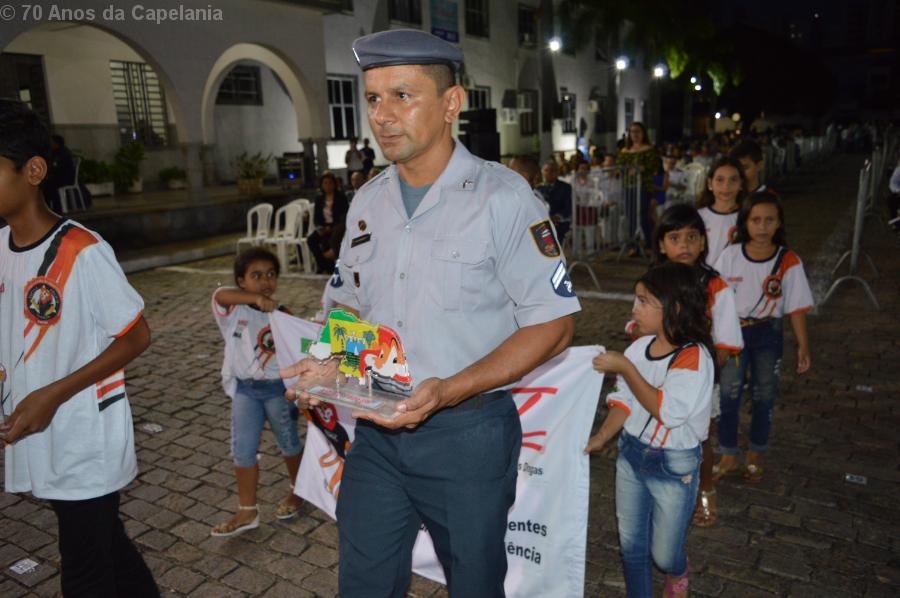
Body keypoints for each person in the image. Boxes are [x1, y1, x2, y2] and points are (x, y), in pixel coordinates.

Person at [282, 29, 579, 597]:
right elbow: (349, 305)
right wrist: (330, 362)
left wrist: (447, 391)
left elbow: (555, 324)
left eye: (403, 96)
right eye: (373, 98)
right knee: (363, 585)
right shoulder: (368, 201)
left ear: (451, 103)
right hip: (376, 432)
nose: (382, 115)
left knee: (474, 584)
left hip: (467, 434)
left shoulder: (504, 198)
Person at [0, 99, 159, 597]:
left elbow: (136, 335)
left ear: (33, 171)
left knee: (85, 572)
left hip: (83, 438)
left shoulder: (82, 252)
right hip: (40, 432)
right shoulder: (1, 247)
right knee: (105, 544)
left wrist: (52, 395)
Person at [585, 262, 715, 598]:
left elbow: (667, 412)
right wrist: (601, 437)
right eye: (636, 300)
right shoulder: (637, 349)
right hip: (631, 455)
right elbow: (624, 402)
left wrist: (626, 368)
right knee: (631, 546)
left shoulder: (694, 357)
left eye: (644, 301)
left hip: (674, 465)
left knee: (665, 554)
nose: (634, 308)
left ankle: (678, 570)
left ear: (675, 307)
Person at [635, 204, 743, 528]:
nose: (684, 245)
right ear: (661, 245)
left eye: (692, 237)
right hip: (656, 377)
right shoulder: (652, 283)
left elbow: (726, 342)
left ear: (703, 242)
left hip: (697, 379)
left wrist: (700, 375)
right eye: (675, 238)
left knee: (699, 439)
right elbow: (638, 325)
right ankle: (656, 488)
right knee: (651, 432)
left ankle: (705, 490)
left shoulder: (716, 286)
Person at [713, 193, 813, 484]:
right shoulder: (730, 256)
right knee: (729, 394)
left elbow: (796, 307)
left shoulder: (789, 261)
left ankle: (756, 452)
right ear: (745, 222)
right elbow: (714, 299)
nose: (762, 227)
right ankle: (728, 453)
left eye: (769, 220)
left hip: (768, 334)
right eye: (755, 220)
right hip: (733, 334)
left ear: (779, 223)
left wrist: (803, 345)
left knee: (764, 395)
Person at [210, 247, 303, 537]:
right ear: (241, 281)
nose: (265, 281)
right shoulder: (232, 310)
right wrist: (254, 299)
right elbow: (219, 295)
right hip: (245, 391)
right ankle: (247, 510)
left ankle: (298, 489)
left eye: (271, 274)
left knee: (288, 442)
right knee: (242, 450)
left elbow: (299, 344)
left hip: (277, 390)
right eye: (256, 275)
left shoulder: (282, 314)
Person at [616, 122, 662, 246]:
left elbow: (656, 167)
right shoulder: (625, 151)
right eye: (632, 131)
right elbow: (619, 166)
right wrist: (624, 170)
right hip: (628, 186)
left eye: (637, 131)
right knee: (630, 215)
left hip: (643, 186)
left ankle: (650, 242)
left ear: (643, 133)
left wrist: (642, 168)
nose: (635, 134)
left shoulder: (649, 149)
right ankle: (633, 243)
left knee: (643, 215)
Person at [697, 156, 747, 267]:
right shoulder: (698, 216)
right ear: (710, 183)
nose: (726, 186)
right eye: (720, 180)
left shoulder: (748, 217)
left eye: (733, 180)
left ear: (741, 184)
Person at [306, 171, 349, 273]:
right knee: (311, 240)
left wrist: (331, 228)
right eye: (325, 183)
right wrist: (320, 227)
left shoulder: (341, 197)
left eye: (330, 183)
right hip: (323, 226)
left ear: (334, 184)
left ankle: (328, 266)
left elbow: (344, 216)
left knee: (328, 240)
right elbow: (316, 217)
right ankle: (324, 265)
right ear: (321, 185)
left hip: (337, 227)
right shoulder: (319, 199)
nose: (328, 185)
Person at [536, 160, 573, 243]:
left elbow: (568, 207)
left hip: (560, 222)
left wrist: (557, 217)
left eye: (552, 170)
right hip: (542, 222)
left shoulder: (566, 187)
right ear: (542, 172)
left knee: (554, 235)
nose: (549, 173)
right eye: (546, 170)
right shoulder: (538, 189)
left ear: (557, 172)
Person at [41, 134, 77, 214]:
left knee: (50, 186)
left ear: (57, 143)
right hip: (57, 177)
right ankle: (47, 208)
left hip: (65, 178)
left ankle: (56, 209)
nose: (50, 144)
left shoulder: (63, 153)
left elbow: (60, 168)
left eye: (52, 142)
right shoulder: (53, 153)